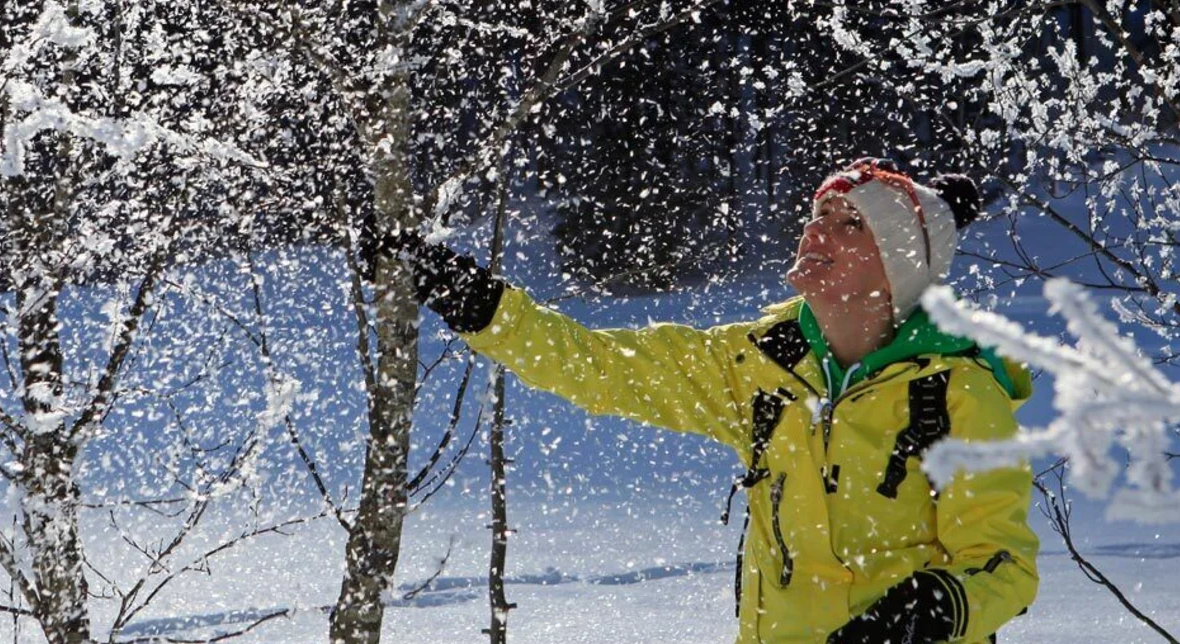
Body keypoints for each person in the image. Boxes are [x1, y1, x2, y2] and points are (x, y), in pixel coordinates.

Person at [367, 158, 1038, 643]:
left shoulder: (956, 393)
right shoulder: (756, 363)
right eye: (816, 216)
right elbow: (597, 366)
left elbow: (1003, 567)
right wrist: (470, 298)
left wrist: (933, 609)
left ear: (896, 265)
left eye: (847, 225)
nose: (815, 231)